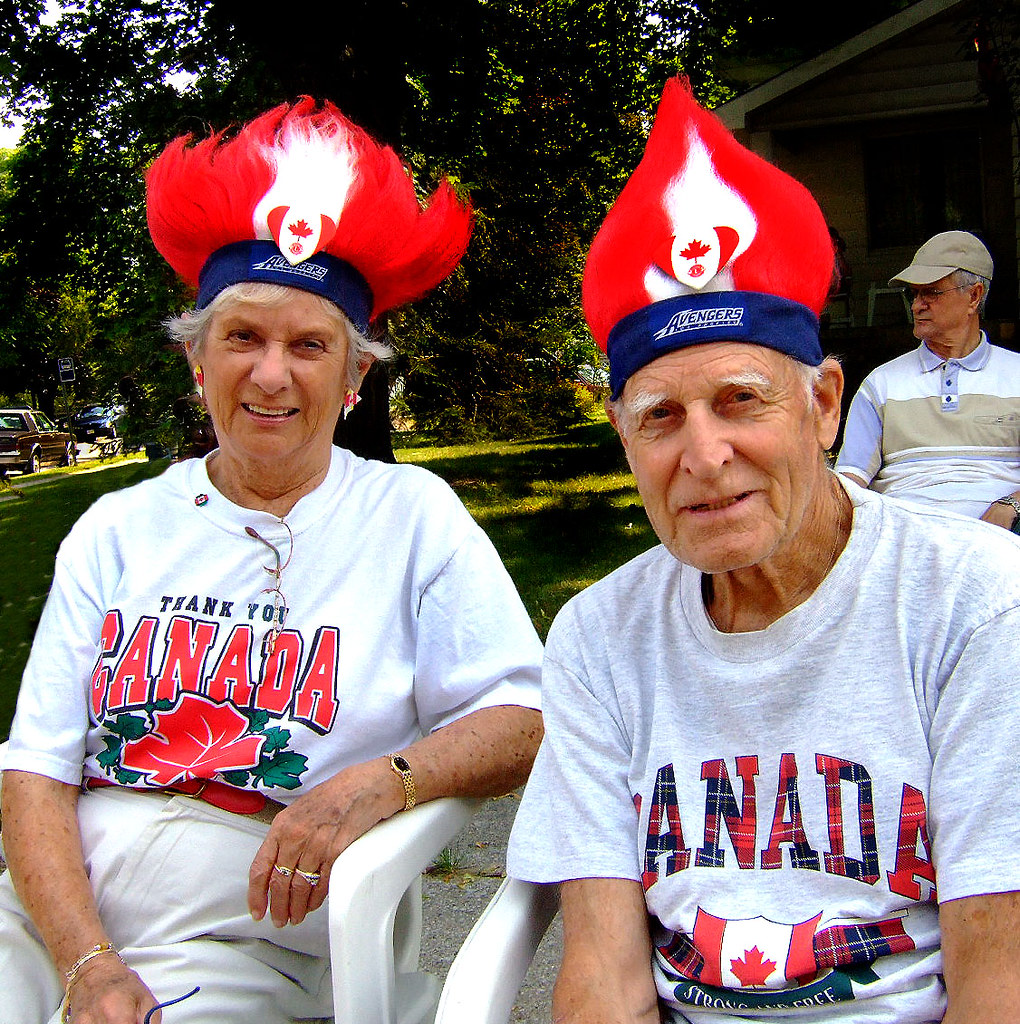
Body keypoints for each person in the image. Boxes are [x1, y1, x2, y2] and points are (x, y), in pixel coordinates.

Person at [0, 99, 544, 1024]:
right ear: (197, 363)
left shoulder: (410, 516)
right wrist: (86, 961)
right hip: (53, 909)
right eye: (242, 337)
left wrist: (386, 781)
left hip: (255, 922)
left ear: (355, 378)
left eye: (309, 345)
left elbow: (520, 716)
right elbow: (36, 769)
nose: (270, 374)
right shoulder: (116, 526)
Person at [507, 79, 1020, 1024]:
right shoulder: (596, 636)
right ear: (626, 443)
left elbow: (999, 983)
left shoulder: (978, 603)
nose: (704, 456)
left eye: (743, 399)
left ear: (825, 406)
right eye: (661, 416)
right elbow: (606, 978)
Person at [835, 230, 1020, 529]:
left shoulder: (1016, 375)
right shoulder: (881, 385)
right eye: (915, 294)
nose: (916, 305)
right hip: (903, 539)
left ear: (974, 296)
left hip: (1004, 541)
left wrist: (1012, 504)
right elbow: (850, 482)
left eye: (931, 292)